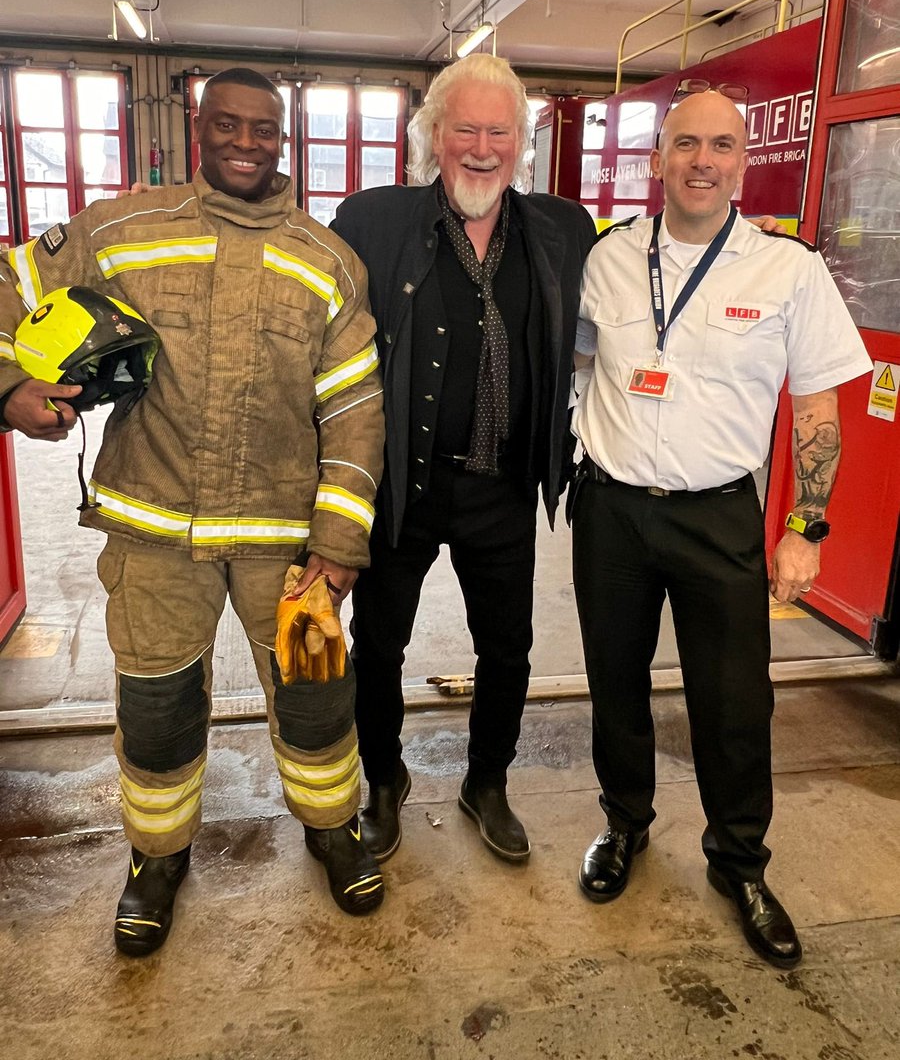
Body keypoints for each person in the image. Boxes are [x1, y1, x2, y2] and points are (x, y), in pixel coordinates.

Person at [0, 68, 386, 956]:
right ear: (196, 126)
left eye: (264, 130)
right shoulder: (119, 230)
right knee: (158, 706)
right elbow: (7, 284)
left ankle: (334, 829)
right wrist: (12, 386)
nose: (247, 143)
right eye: (229, 126)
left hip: (285, 549)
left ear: (284, 140)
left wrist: (338, 540)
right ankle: (157, 858)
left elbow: (356, 411)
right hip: (154, 536)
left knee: (318, 696)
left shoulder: (329, 262)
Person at [570, 90, 871, 968]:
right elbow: (582, 367)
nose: (704, 161)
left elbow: (817, 409)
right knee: (615, 685)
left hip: (719, 515)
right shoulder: (609, 260)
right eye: (687, 144)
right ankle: (624, 826)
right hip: (613, 511)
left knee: (736, 703)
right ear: (659, 158)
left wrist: (805, 528)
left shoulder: (789, 270)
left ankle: (738, 864)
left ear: (745, 163)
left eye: (722, 147)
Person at [331, 54, 598, 864]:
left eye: (499, 131)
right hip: (400, 487)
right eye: (464, 130)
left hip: (504, 488)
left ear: (523, 141)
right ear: (431, 137)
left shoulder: (562, 229)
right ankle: (384, 778)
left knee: (508, 648)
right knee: (378, 646)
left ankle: (488, 781)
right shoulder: (372, 221)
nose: (481, 148)